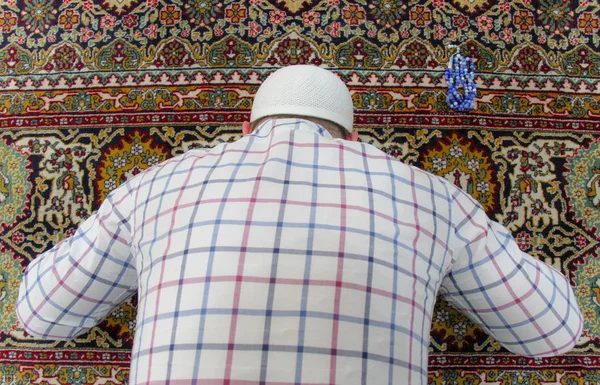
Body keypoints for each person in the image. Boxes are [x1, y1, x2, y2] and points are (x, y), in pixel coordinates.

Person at [17, 65, 583, 385]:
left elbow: (41, 315)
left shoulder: (154, 185)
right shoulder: (432, 197)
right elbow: (553, 331)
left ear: (246, 127)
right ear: (354, 139)